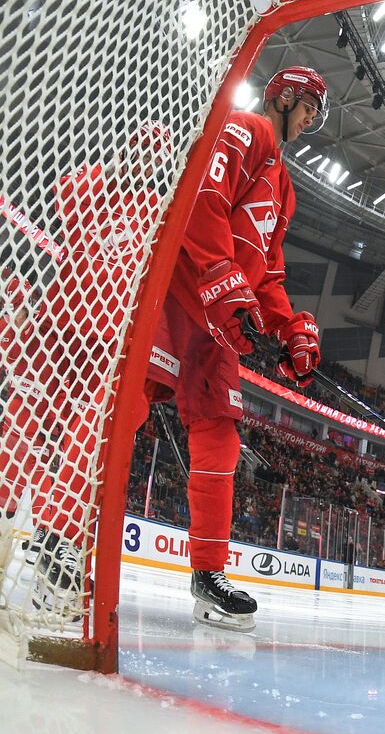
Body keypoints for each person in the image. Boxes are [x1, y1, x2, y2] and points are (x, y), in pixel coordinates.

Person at [143, 67, 327, 632]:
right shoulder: (247, 130)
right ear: (284, 96)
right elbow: (203, 195)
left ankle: (207, 575)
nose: (310, 121)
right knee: (130, 405)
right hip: (178, 288)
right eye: (308, 109)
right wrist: (223, 278)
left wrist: (289, 329)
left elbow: (267, 272)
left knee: (220, 432)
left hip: (218, 319)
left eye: (317, 116)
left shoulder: (284, 187)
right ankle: (61, 537)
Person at [1, 123, 174, 619]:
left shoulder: (162, 211)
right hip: (59, 328)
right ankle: (24, 525)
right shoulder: (95, 188)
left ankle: (58, 549)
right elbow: (67, 189)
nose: (145, 162)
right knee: (25, 423)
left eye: (153, 155)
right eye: (139, 150)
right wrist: (123, 166)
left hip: (108, 345)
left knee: (94, 442)